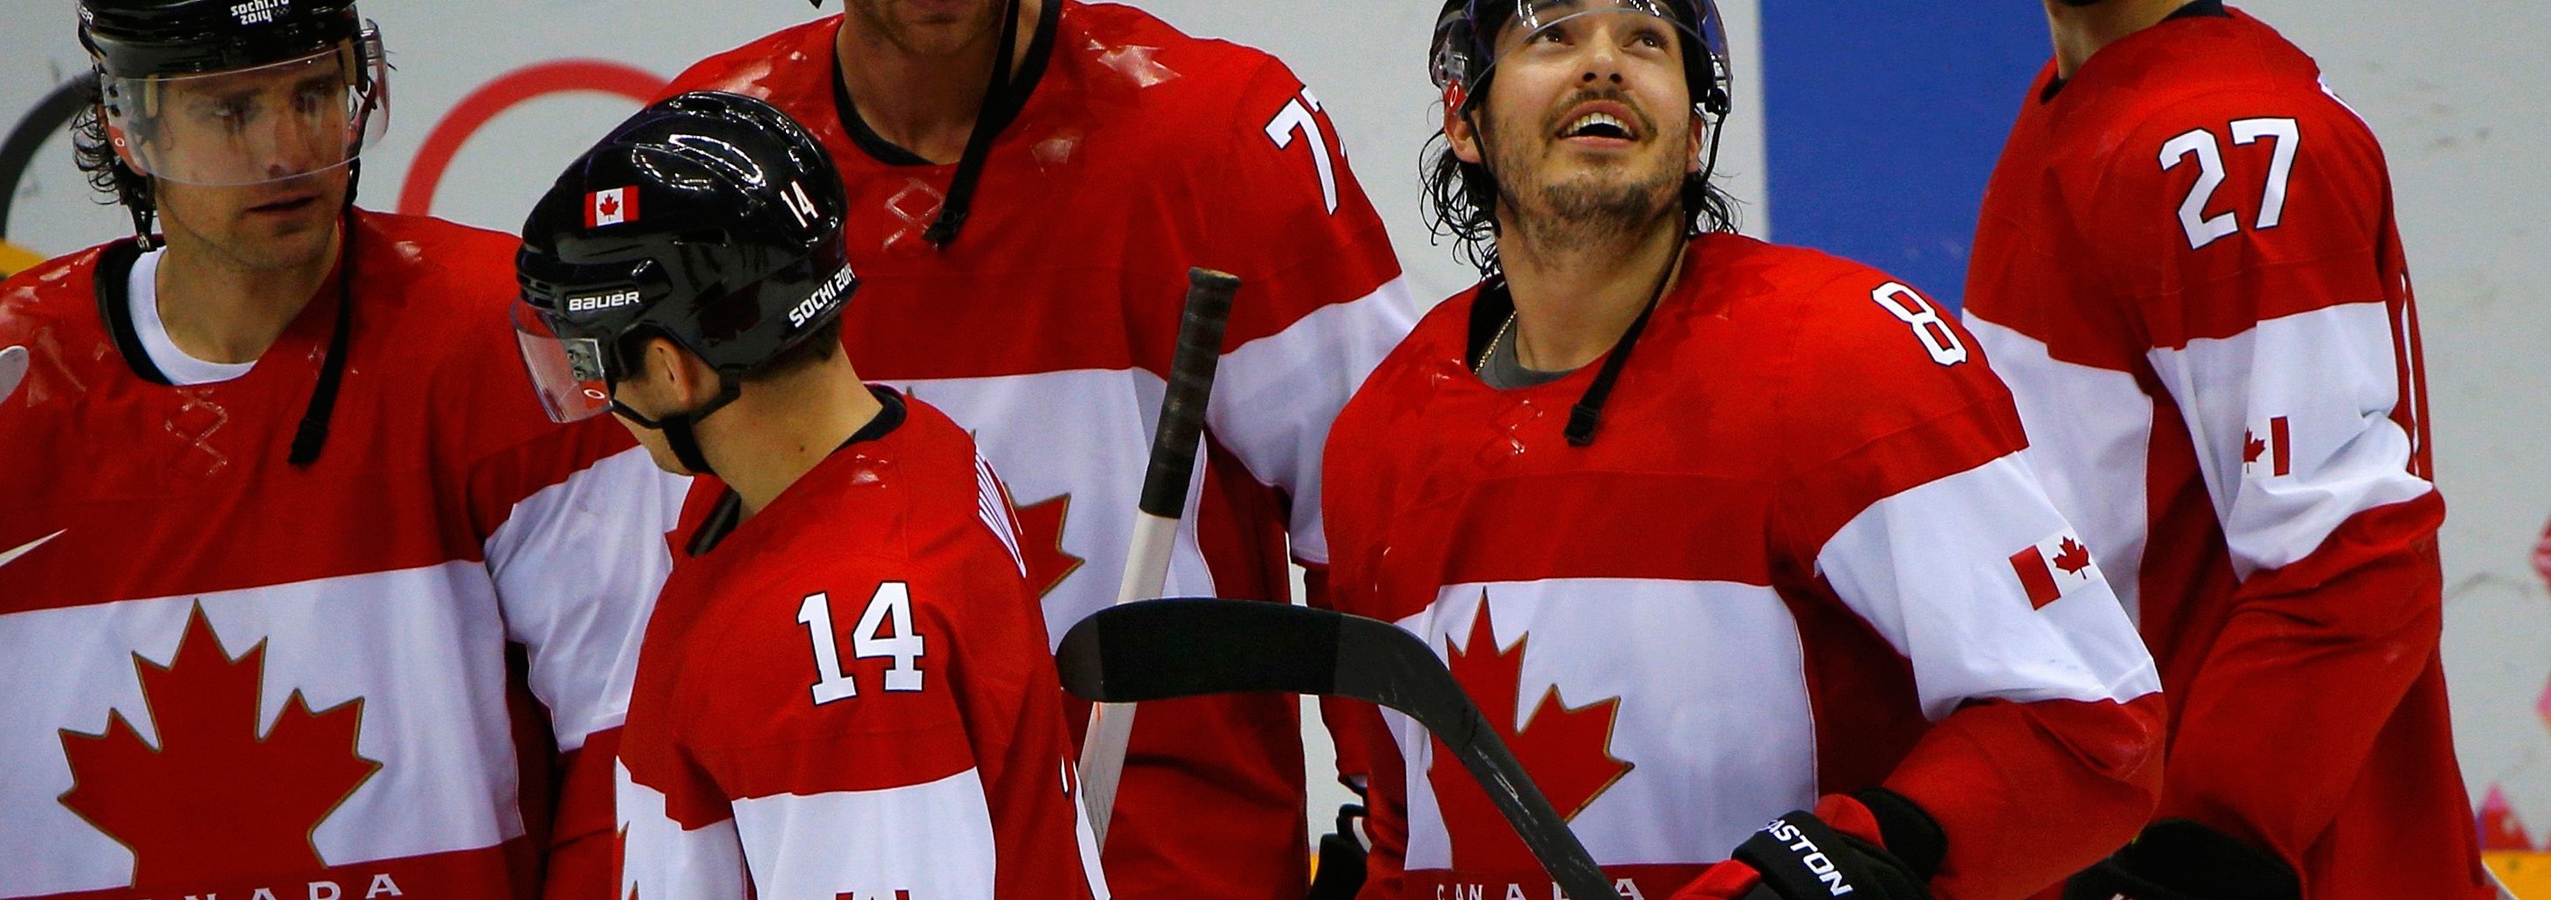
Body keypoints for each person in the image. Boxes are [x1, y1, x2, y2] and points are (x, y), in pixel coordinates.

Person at [0, 3, 677, 899]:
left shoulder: (500, 343)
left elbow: (625, 731)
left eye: (315, 94)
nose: (286, 151)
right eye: (231, 111)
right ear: (128, 126)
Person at [1322, 1, 2171, 898]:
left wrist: (1849, 863)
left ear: (1693, 134)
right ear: (1464, 118)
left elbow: (2092, 723)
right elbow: (1404, 830)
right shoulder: (1386, 429)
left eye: (1648, 42)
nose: (1604, 64)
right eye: (1554, 34)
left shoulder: (1844, 359)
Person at [619, 1, 1422, 896]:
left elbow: (1384, 514)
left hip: (1180, 869)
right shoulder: (714, 166)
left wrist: (1400, 846)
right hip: (848, 846)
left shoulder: (1220, 131)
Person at [507, 90, 1106, 899]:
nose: (597, 399)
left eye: (590, 362)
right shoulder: (909, 443)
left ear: (674, 369)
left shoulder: (834, 640)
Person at [1961, 1, 2486, 897]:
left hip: (2249, 854)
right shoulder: (2084, 92)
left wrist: (2198, 854)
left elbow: (2351, 554)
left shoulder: (2223, 135)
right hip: (2109, 825)